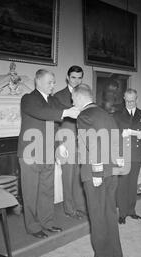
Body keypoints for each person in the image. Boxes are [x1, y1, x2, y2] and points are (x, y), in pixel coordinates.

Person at [17, 69, 80, 239]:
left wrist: (60, 145)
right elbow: (42, 113)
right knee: (30, 192)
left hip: (48, 153)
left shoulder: (53, 100)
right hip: (30, 153)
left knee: (47, 190)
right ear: (38, 81)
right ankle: (33, 226)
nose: (53, 85)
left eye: (53, 82)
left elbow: (57, 124)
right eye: (49, 82)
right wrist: (66, 113)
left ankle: (47, 223)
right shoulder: (28, 99)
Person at [74, 84, 123, 257]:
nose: (74, 103)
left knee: (97, 214)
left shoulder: (84, 116)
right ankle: (115, 252)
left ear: (79, 98)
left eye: (74, 100)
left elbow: (92, 144)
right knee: (109, 211)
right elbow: (116, 138)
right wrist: (118, 162)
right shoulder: (105, 114)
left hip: (96, 172)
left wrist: (96, 171)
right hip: (111, 171)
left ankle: (103, 256)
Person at [113, 89, 141, 224]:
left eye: (133, 100)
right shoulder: (117, 115)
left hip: (136, 154)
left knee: (132, 183)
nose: (130, 103)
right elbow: (112, 135)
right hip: (122, 154)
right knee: (122, 184)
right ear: (124, 98)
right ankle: (122, 213)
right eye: (127, 100)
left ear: (137, 99)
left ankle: (131, 211)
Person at [53, 66, 87, 219]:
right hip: (66, 141)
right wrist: (59, 144)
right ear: (67, 77)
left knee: (80, 176)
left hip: (83, 141)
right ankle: (69, 209)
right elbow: (54, 123)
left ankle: (80, 206)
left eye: (79, 78)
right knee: (68, 176)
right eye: (73, 77)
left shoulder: (85, 94)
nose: (76, 81)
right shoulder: (58, 96)